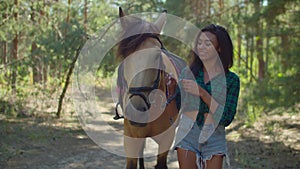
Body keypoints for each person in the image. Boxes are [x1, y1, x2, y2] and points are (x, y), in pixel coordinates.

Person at [174, 24, 240, 169]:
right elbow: (177, 104)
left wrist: (202, 93)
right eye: (199, 43)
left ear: (219, 48)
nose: (201, 47)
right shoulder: (187, 73)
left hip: (214, 136)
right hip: (188, 134)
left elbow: (226, 117)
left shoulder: (231, 80)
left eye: (208, 43)